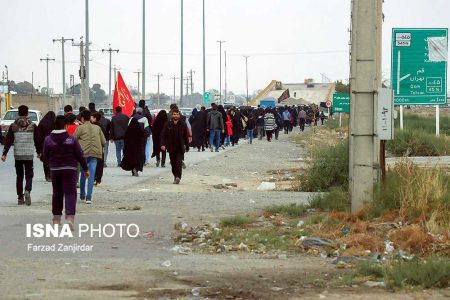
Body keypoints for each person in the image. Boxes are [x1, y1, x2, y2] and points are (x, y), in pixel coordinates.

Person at [43, 116, 89, 228]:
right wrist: (85, 169)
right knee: (70, 193)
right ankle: (69, 218)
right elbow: (80, 155)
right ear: (66, 126)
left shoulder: (48, 140)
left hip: (55, 169)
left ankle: (56, 219)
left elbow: (45, 157)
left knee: (57, 194)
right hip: (70, 169)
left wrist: (49, 167)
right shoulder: (71, 139)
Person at [1, 105, 39, 205]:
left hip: (18, 154)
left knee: (19, 175)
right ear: (27, 113)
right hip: (28, 154)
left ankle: (20, 198)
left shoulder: (13, 126)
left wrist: (4, 153)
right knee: (29, 174)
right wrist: (39, 152)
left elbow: (9, 140)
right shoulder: (33, 126)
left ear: (18, 113)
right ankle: (27, 190)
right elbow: (37, 140)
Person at [74, 110, 106, 204]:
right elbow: (103, 142)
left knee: (84, 174)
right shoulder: (97, 128)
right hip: (95, 154)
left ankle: (82, 195)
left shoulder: (80, 128)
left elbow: (73, 139)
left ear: (82, 118)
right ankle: (89, 197)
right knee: (91, 175)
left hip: (83, 154)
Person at [161, 109, 189, 184]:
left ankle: (178, 177)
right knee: (173, 163)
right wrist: (163, 144)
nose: (176, 116)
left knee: (178, 163)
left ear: (179, 115)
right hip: (171, 147)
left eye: (177, 114)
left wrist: (187, 146)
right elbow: (163, 135)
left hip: (180, 147)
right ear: (172, 115)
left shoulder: (183, 124)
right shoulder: (167, 124)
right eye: (174, 114)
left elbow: (185, 136)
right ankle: (175, 176)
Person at [121, 107, 149, 176]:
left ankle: (133, 168)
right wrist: (146, 136)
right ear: (141, 112)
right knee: (140, 155)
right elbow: (146, 129)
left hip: (131, 143)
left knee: (132, 156)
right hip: (140, 142)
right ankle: (137, 168)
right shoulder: (144, 119)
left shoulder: (131, 119)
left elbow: (128, 129)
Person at [36, 111, 56, 182]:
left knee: (45, 160)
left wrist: (38, 149)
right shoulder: (55, 123)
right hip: (53, 145)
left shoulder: (42, 123)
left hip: (43, 145)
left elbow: (38, 136)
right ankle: (51, 175)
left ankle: (47, 176)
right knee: (53, 160)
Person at [139, 100, 153, 165]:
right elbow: (150, 120)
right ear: (144, 104)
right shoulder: (146, 111)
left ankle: (140, 159)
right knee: (147, 146)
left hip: (138, 132)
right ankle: (146, 160)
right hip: (146, 131)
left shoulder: (136, 111)